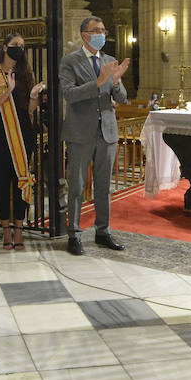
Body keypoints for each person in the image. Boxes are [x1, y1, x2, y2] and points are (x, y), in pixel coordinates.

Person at [60, 16, 130, 256]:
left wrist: (117, 82)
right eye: (96, 30)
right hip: (81, 132)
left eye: (103, 29)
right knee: (78, 185)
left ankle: (103, 231)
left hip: (107, 131)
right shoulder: (70, 61)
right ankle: (75, 234)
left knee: (103, 186)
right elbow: (69, 94)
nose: (101, 33)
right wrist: (99, 82)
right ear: (84, 35)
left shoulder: (110, 61)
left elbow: (121, 99)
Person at [0, 33, 45, 250]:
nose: (19, 48)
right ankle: (5, 229)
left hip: (23, 133)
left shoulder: (27, 73)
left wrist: (36, 97)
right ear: (4, 47)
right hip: (0, 132)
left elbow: (29, 110)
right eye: (15, 45)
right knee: (2, 180)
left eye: (22, 45)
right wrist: (7, 91)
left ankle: (19, 228)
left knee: (22, 180)